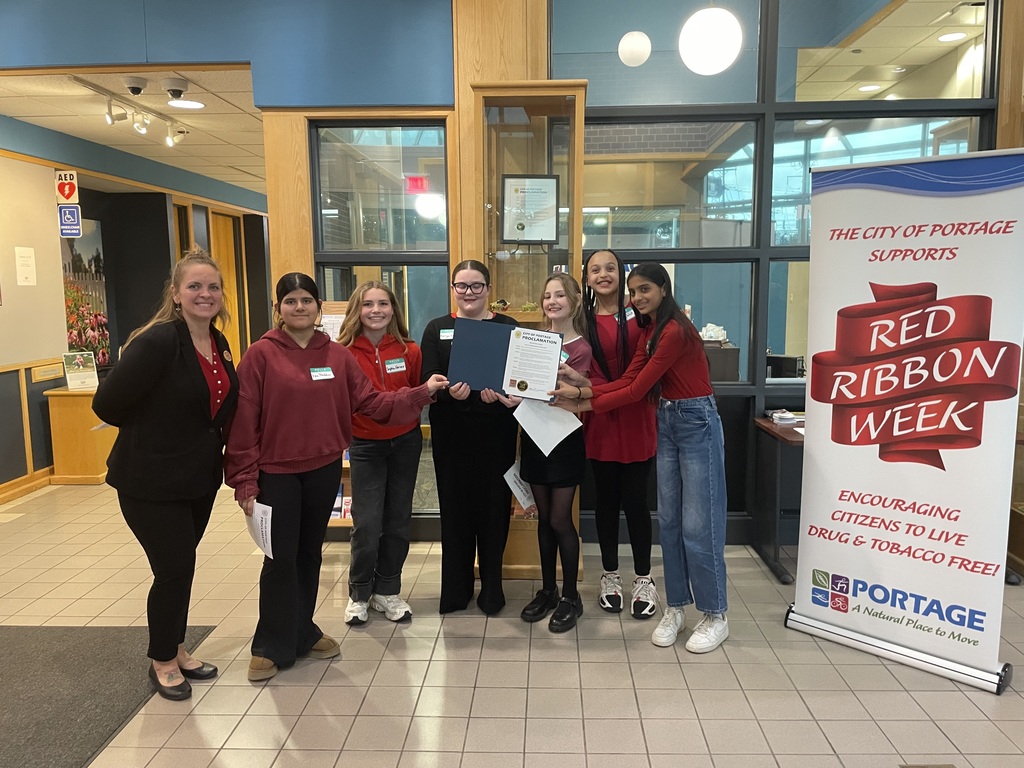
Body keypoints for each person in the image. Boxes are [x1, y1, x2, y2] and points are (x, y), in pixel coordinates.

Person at [225, 273, 448, 681]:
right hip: (276, 473)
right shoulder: (261, 355)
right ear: (279, 308)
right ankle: (270, 643)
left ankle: (303, 631)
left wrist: (420, 393)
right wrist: (245, 480)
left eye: (306, 300)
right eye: (290, 301)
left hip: (323, 468)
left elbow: (373, 403)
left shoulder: (336, 356)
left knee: (310, 554)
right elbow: (243, 421)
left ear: (318, 306)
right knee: (279, 558)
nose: (299, 307)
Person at [551, 263, 729, 653]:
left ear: (664, 289)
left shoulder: (675, 330)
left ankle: (716, 614)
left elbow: (636, 392)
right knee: (668, 522)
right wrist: (584, 386)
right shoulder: (648, 330)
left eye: (645, 289)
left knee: (700, 525)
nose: (637, 298)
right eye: (633, 292)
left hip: (696, 421)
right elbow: (629, 379)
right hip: (667, 417)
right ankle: (678, 606)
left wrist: (583, 400)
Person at [92, 248, 238, 701]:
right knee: (173, 568)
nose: (205, 294)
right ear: (176, 294)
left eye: (212, 287)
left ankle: (177, 647)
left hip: (197, 479)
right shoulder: (156, 341)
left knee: (183, 567)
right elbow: (107, 404)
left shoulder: (218, 343)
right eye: (194, 286)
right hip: (150, 482)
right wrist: (156, 431)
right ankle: (162, 661)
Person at [420, 259, 519, 615]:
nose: (469, 292)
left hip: (496, 431)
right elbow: (428, 378)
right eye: (462, 285)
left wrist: (508, 394)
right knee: (455, 510)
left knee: (494, 510)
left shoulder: (508, 326)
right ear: (453, 289)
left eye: (477, 285)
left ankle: (493, 588)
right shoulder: (437, 328)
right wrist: (449, 392)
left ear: (489, 289)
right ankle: (456, 590)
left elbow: (519, 377)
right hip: (452, 434)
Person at [336, 281, 423, 626]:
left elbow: (415, 393)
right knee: (367, 523)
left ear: (393, 309)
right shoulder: (342, 353)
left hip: (405, 442)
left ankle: (388, 591)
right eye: (368, 304)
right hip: (365, 445)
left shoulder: (409, 350)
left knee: (398, 520)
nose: (376, 311)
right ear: (357, 310)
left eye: (383, 304)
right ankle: (359, 593)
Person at [581, 249, 659, 619]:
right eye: (595, 269)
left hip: (637, 415)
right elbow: (585, 371)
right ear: (588, 277)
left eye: (610, 268)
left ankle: (643, 578)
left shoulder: (641, 314)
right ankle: (610, 575)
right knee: (606, 502)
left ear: (621, 273)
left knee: (637, 503)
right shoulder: (583, 319)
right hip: (599, 418)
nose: (603, 274)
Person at [514, 273, 592, 632]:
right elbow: (520, 384)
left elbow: (580, 397)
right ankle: (548, 589)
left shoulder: (582, 348)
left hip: (562, 439)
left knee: (561, 520)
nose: (552, 301)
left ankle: (571, 597)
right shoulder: (533, 341)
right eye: (547, 296)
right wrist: (512, 392)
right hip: (533, 434)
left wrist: (556, 387)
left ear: (574, 300)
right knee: (543, 520)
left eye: (559, 295)